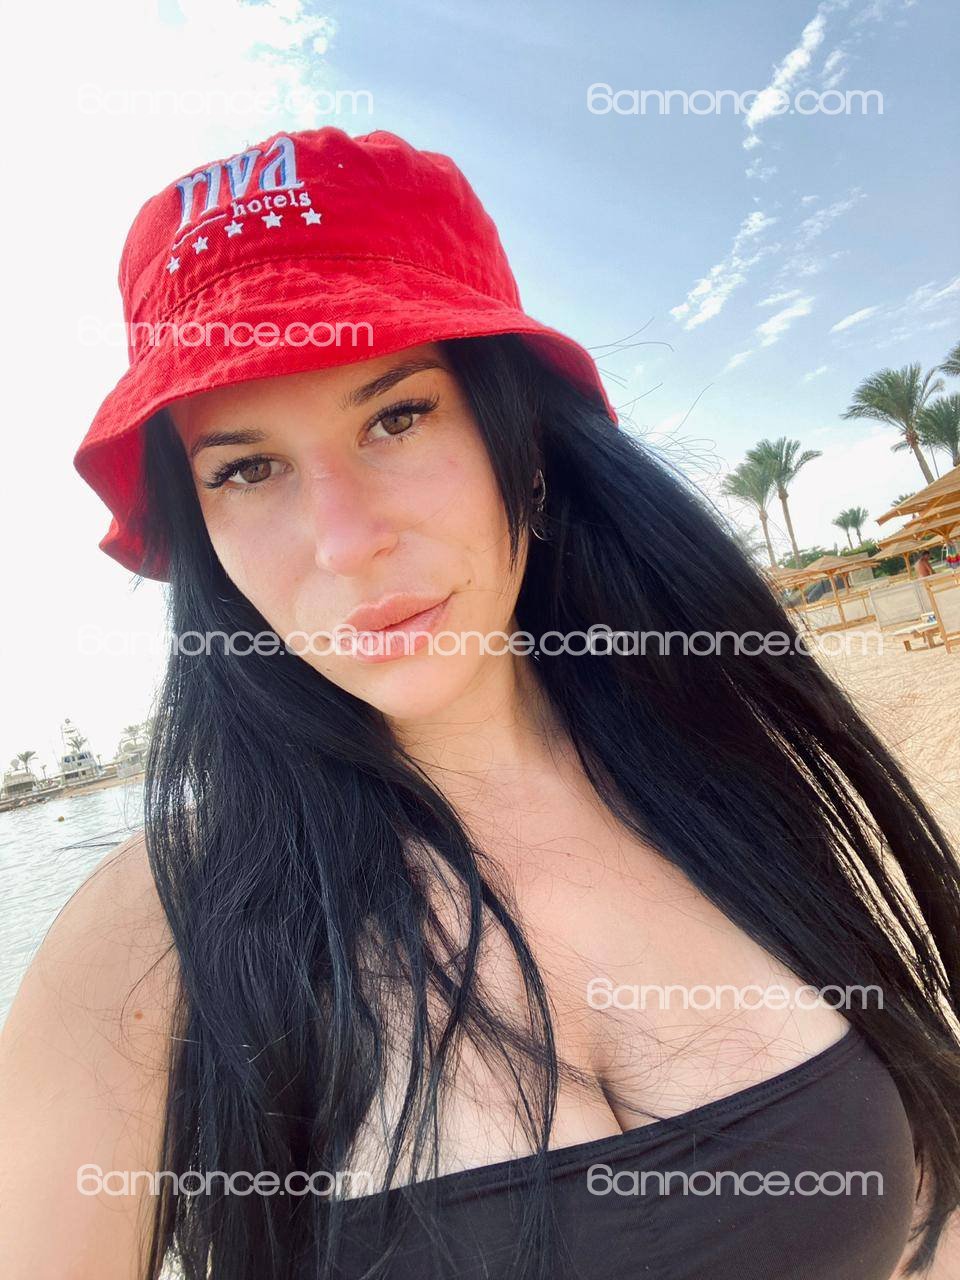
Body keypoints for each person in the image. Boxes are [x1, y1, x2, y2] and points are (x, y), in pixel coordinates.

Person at [3, 127, 960, 1280]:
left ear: (525, 438)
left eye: (397, 417)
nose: (345, 541)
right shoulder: (154, 936)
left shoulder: (726, 771)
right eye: (246, 467)